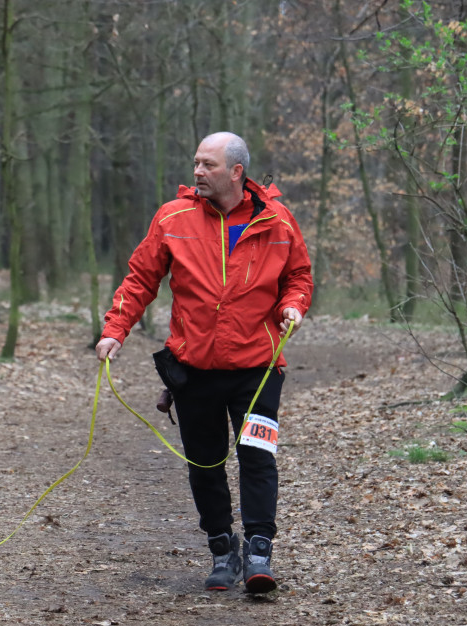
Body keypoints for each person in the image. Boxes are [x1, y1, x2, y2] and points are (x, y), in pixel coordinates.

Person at [95, 132, 313, 593]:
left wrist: (294, 304)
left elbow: (298, 276)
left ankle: (258, 552)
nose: (197, 172)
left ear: (236, 172)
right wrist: (115, 330)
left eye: (207, 164)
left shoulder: (278, 221)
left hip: (258, 368)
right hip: (192, 370)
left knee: (258, 458)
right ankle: (221, 548)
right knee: (206, 463)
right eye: (195, 162)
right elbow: (140, 279)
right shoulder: (172, 218)